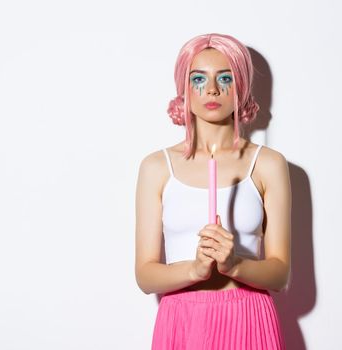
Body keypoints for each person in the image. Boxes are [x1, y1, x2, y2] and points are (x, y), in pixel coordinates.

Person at [135, 33, 291, 350]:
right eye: (198, 79)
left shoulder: (268, 165)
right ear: (184, 89)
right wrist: (193, 269)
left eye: (225, 78)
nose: (212, 90)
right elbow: (145, 275)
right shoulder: (156, 167)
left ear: (242, 86)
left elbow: (280, 273)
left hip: (249, 318)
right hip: (183, 321)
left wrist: (235, 265)